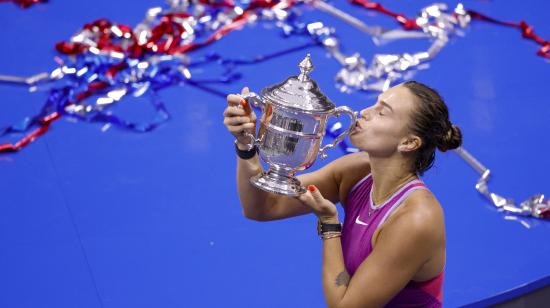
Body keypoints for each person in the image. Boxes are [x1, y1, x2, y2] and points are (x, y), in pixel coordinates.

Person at [223, 80, 462, 307]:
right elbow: (262, 207)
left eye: (382, 112)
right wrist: (246, 146)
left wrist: (329, 225)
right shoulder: (356, 171)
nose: (365, 112)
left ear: (409, 143)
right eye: (375, 103)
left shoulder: (416, 220)